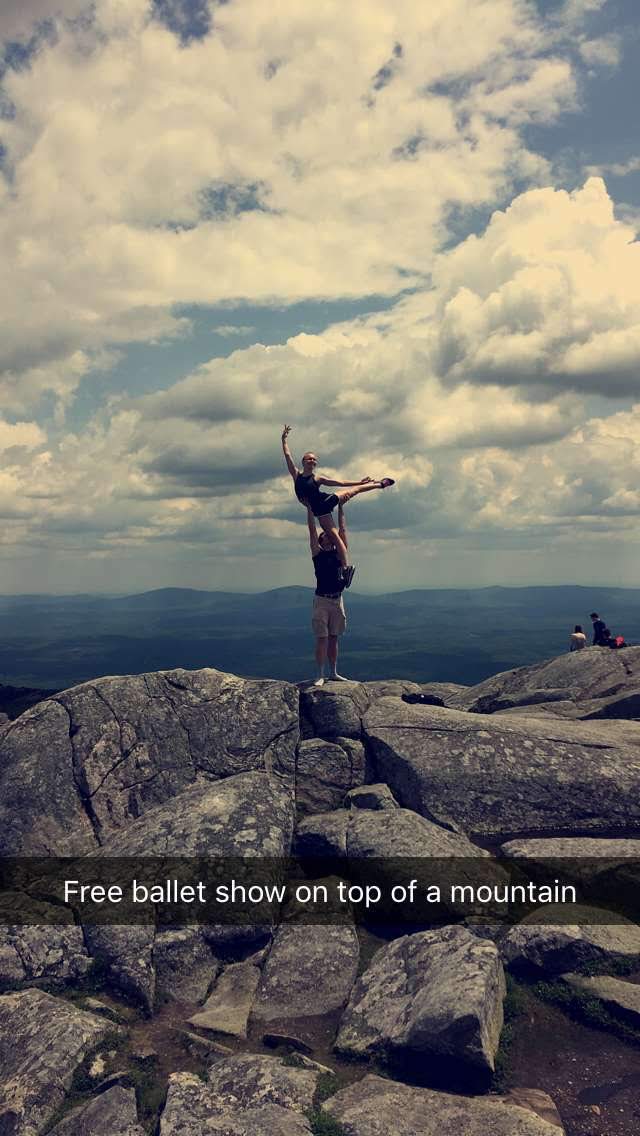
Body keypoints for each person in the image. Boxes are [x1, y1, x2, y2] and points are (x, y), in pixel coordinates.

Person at [281, 424, 394, 587]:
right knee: (335, 537)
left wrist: (359, 481)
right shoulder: (296, 475)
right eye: (309, 458)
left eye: (314, 459)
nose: (312, 460)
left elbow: (339, 482)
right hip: (319, 511)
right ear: (303, 462)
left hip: (324, 501)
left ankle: (380, 484)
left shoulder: (318, 478)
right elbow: (287, 455)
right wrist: (284, 439)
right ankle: (345, 568)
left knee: (354, 491)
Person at [307, 502, 350, 685]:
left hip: (337, 599)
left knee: (334, 637)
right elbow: (311, 530)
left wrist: (341, 507)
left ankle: (333, 672)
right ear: (321, 540)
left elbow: (342, 530)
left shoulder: (340, 553)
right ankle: (319, 675)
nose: (329, 536)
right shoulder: (317, 553)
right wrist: (310, 507)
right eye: (325, 534)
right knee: (322, 638)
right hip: (322, 601)